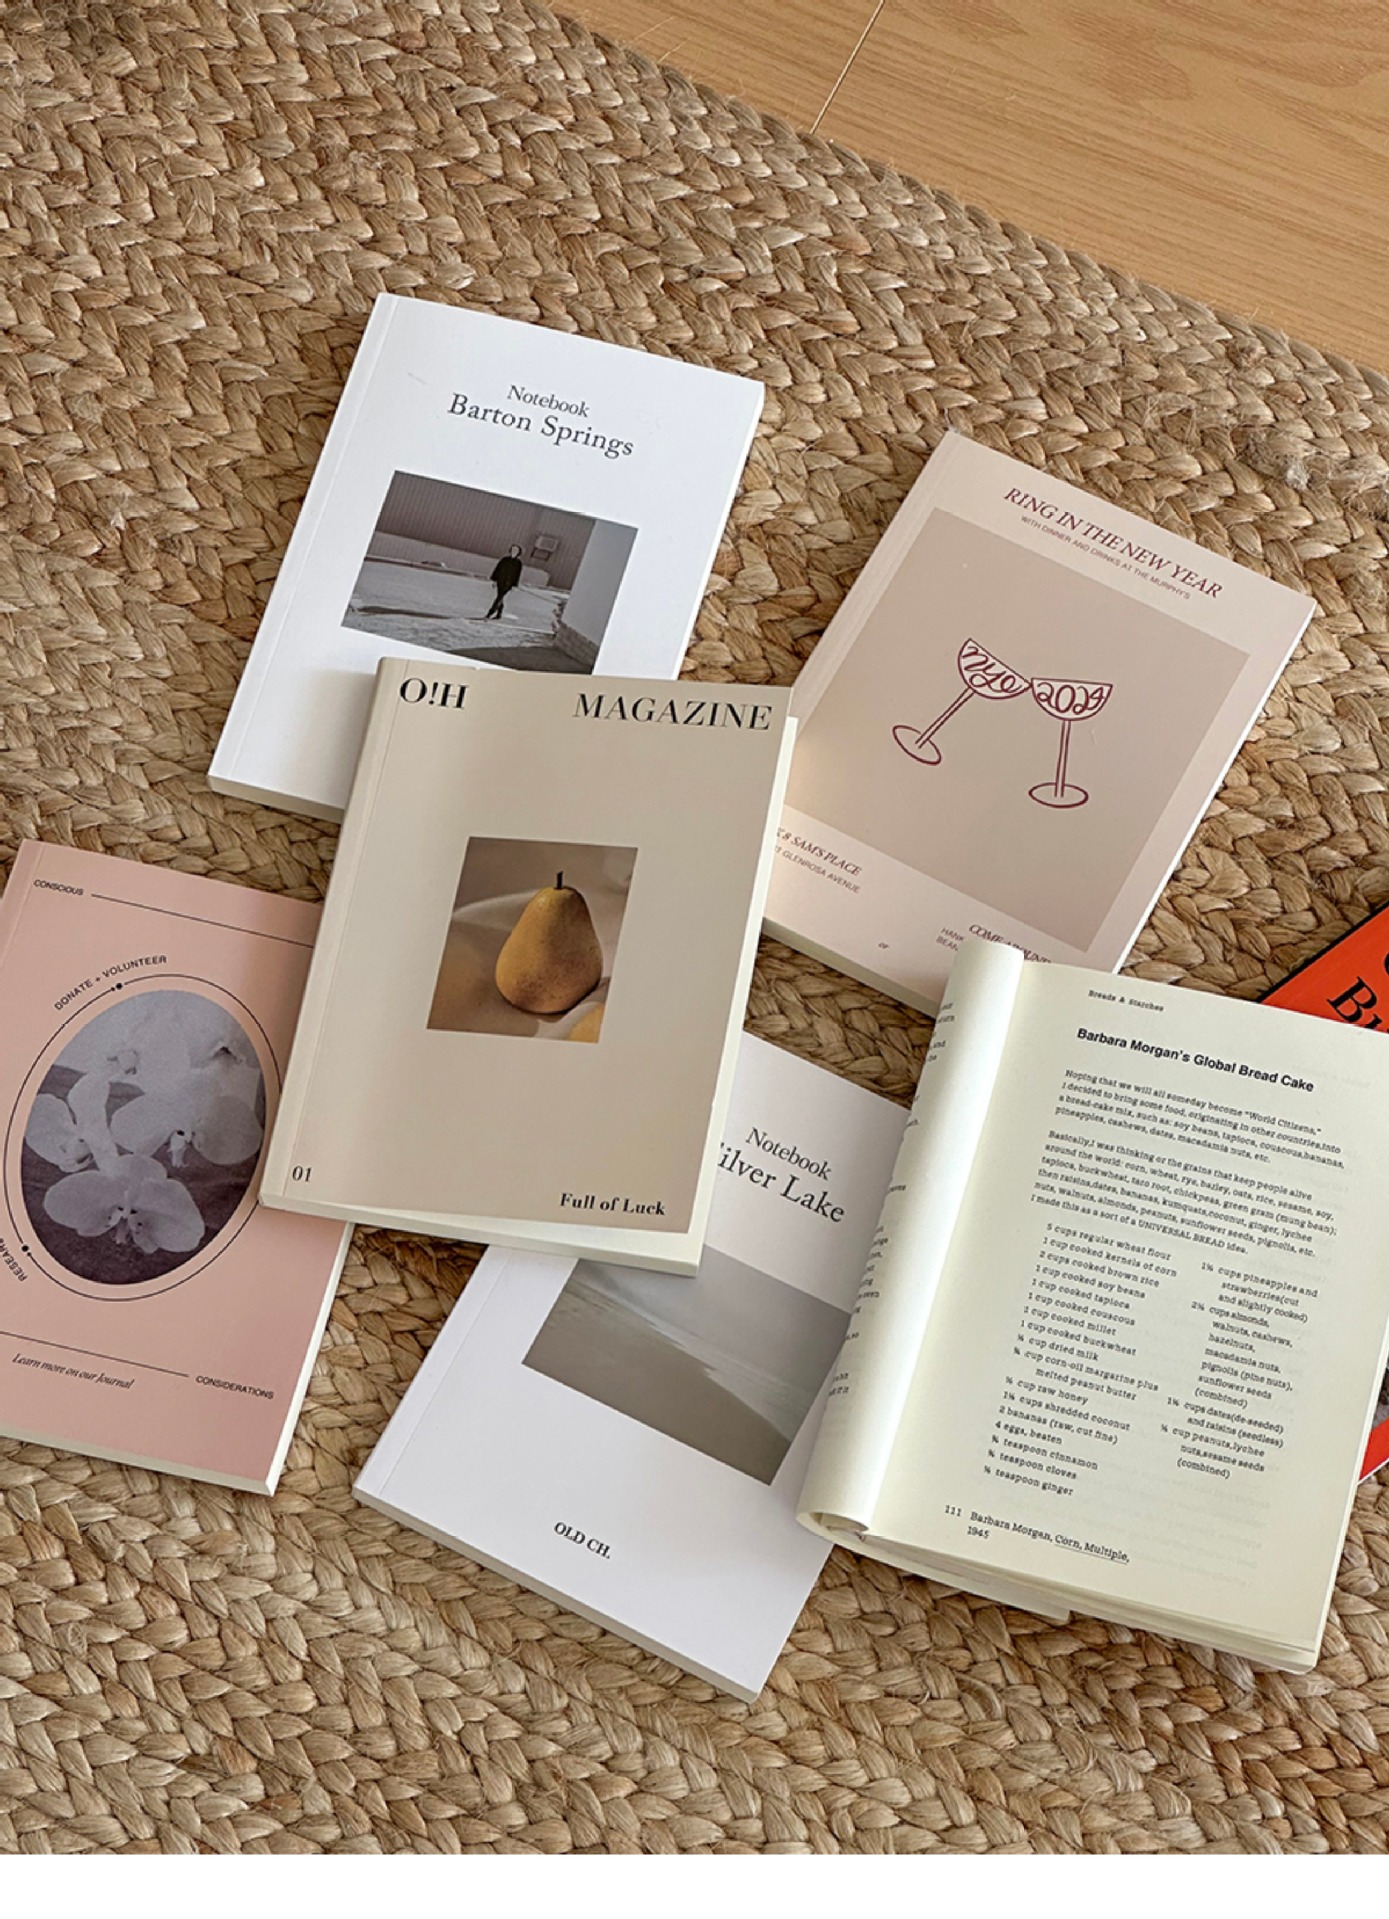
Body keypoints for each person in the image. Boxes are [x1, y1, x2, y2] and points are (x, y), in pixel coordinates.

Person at [485, 544, 524, 620]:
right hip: (500, 581)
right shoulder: (505, 560)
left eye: (516, 550)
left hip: (508, 584)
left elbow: (517, 575)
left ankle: (489, 613)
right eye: (513, 549)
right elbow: (497, 569)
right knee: (500, 597)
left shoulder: (518, 563)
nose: (514, 551)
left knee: (499, 597)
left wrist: (514, 585)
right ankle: (499, 614)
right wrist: (494, 580)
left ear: (518, 552)